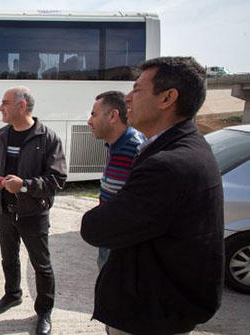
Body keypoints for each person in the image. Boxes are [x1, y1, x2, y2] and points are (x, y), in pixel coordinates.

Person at [81, 57, 224, 335]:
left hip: (151, 315)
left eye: (137, 90)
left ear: (167, 98)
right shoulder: (184, 145)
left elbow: (96, 229)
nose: (127, 98)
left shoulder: (168, 165)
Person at [0, 86, 67, 335]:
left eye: (5, 103)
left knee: (41, 265)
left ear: (21, 106)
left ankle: (44, 312)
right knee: (9, 259)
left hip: (33, 214)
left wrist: (26, 186)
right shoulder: (0, 136)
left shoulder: (47, 138)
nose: (0, 108)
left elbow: (57, 179)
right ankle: (12, 295)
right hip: (5, 211)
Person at [87, 90, 145, 270]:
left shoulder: (136, 148)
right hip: (110, 233)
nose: (89, 121)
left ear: (113, 116)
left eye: (94, 114)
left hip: (122, 241)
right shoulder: (115, 144)